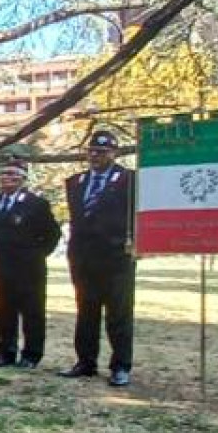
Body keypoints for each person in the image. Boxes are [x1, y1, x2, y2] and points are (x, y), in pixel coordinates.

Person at [60, 129, 136, 387]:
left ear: (114, 153)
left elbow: (137, 217)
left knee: (118, 314)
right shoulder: (76, 182)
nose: (95, 156)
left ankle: (120, 366)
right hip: (84, 258)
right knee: (86, 312)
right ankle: (85, 361)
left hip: (116, 258)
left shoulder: (128, 180)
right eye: (92, 151)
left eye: (102, 152)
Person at [0, 157, 61, 369]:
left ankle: (31, 354)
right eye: (4, 174)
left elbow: (53, 234)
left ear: (23, 179)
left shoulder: (36, 204)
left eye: (13, 175)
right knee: (6, 310)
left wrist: (37, 255)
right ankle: (6, 351)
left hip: (29, 269)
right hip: (2, 266)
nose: (7, 178)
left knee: (32, 312)